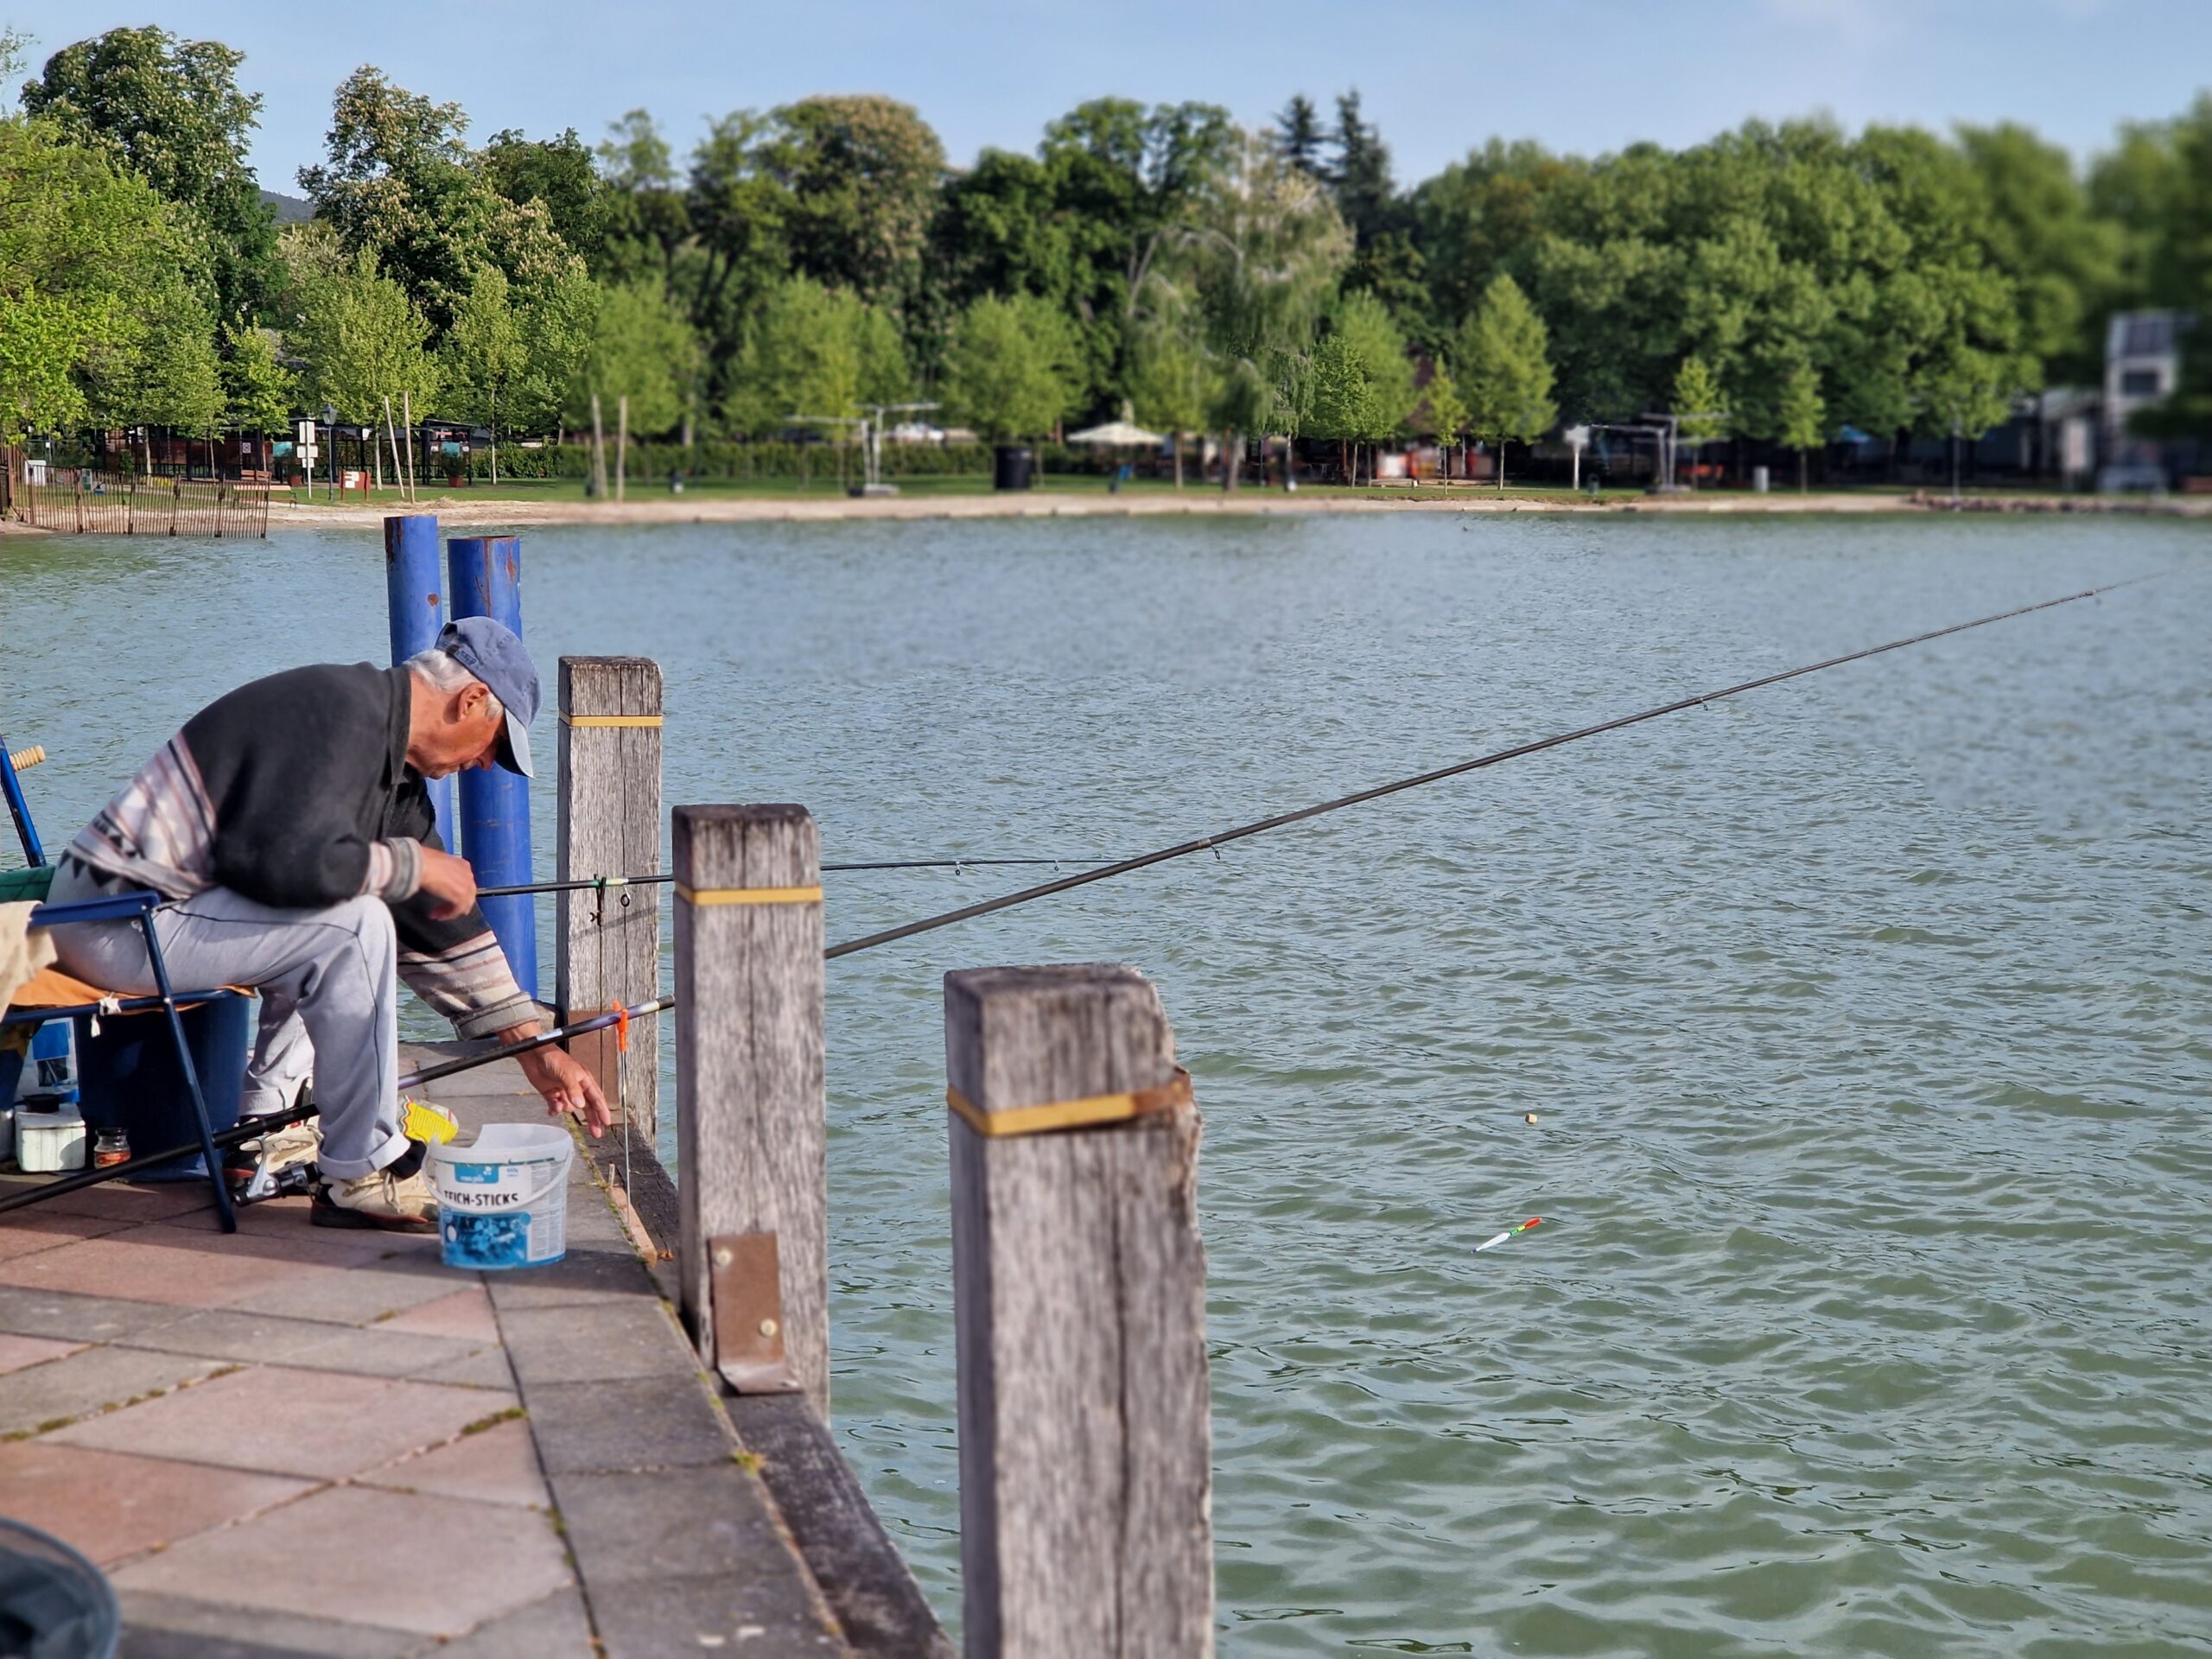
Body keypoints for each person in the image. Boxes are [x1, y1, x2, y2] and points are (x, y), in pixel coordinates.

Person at [42, 618, 609, 1231]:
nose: (483, 765)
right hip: (113, 920)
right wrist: (410, 864)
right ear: (470, 700)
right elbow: (281, 865)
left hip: (159, 917)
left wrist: (533, 1049)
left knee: (343, 918)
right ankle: (363, 1170)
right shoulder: (334, 716)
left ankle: (269, 1127)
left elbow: (442, 929)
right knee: (352, 924)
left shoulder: (386, 758)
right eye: (494, 745)